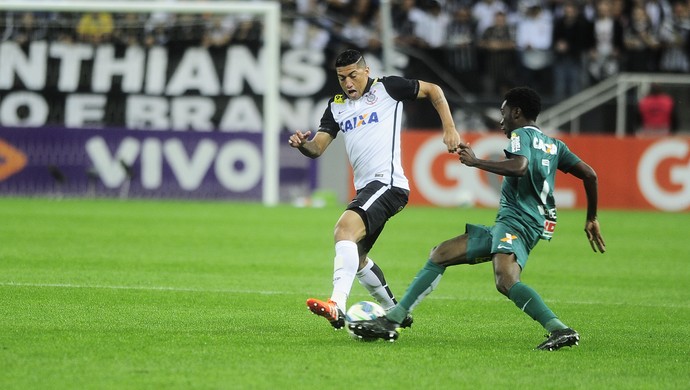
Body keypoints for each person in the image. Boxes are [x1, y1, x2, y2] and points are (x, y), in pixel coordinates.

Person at [349, 87, 606, 351]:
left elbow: (520, 167)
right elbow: (590, 175)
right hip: (522, 223)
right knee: (441, 253)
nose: (501, 120)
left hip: (517, 223)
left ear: (517, 112)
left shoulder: (520, 136)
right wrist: (592, 217)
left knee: (506, 281)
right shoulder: (555, 145)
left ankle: (560, 329)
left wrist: (476, 162)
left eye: (503, 112)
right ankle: (393, 320)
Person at [288, 49, 461, 330]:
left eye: (352, 75)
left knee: (343, 230)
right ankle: (396, 312)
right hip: (367, 188)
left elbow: (433, 90)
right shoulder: (336, 105)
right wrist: (302, 144)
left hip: (388, 183)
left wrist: (450, 129)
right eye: (342, 78)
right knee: (355, 257)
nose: (347, 83)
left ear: (366, 71)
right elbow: (318, 147)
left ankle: (337, 304)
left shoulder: (387, 88)